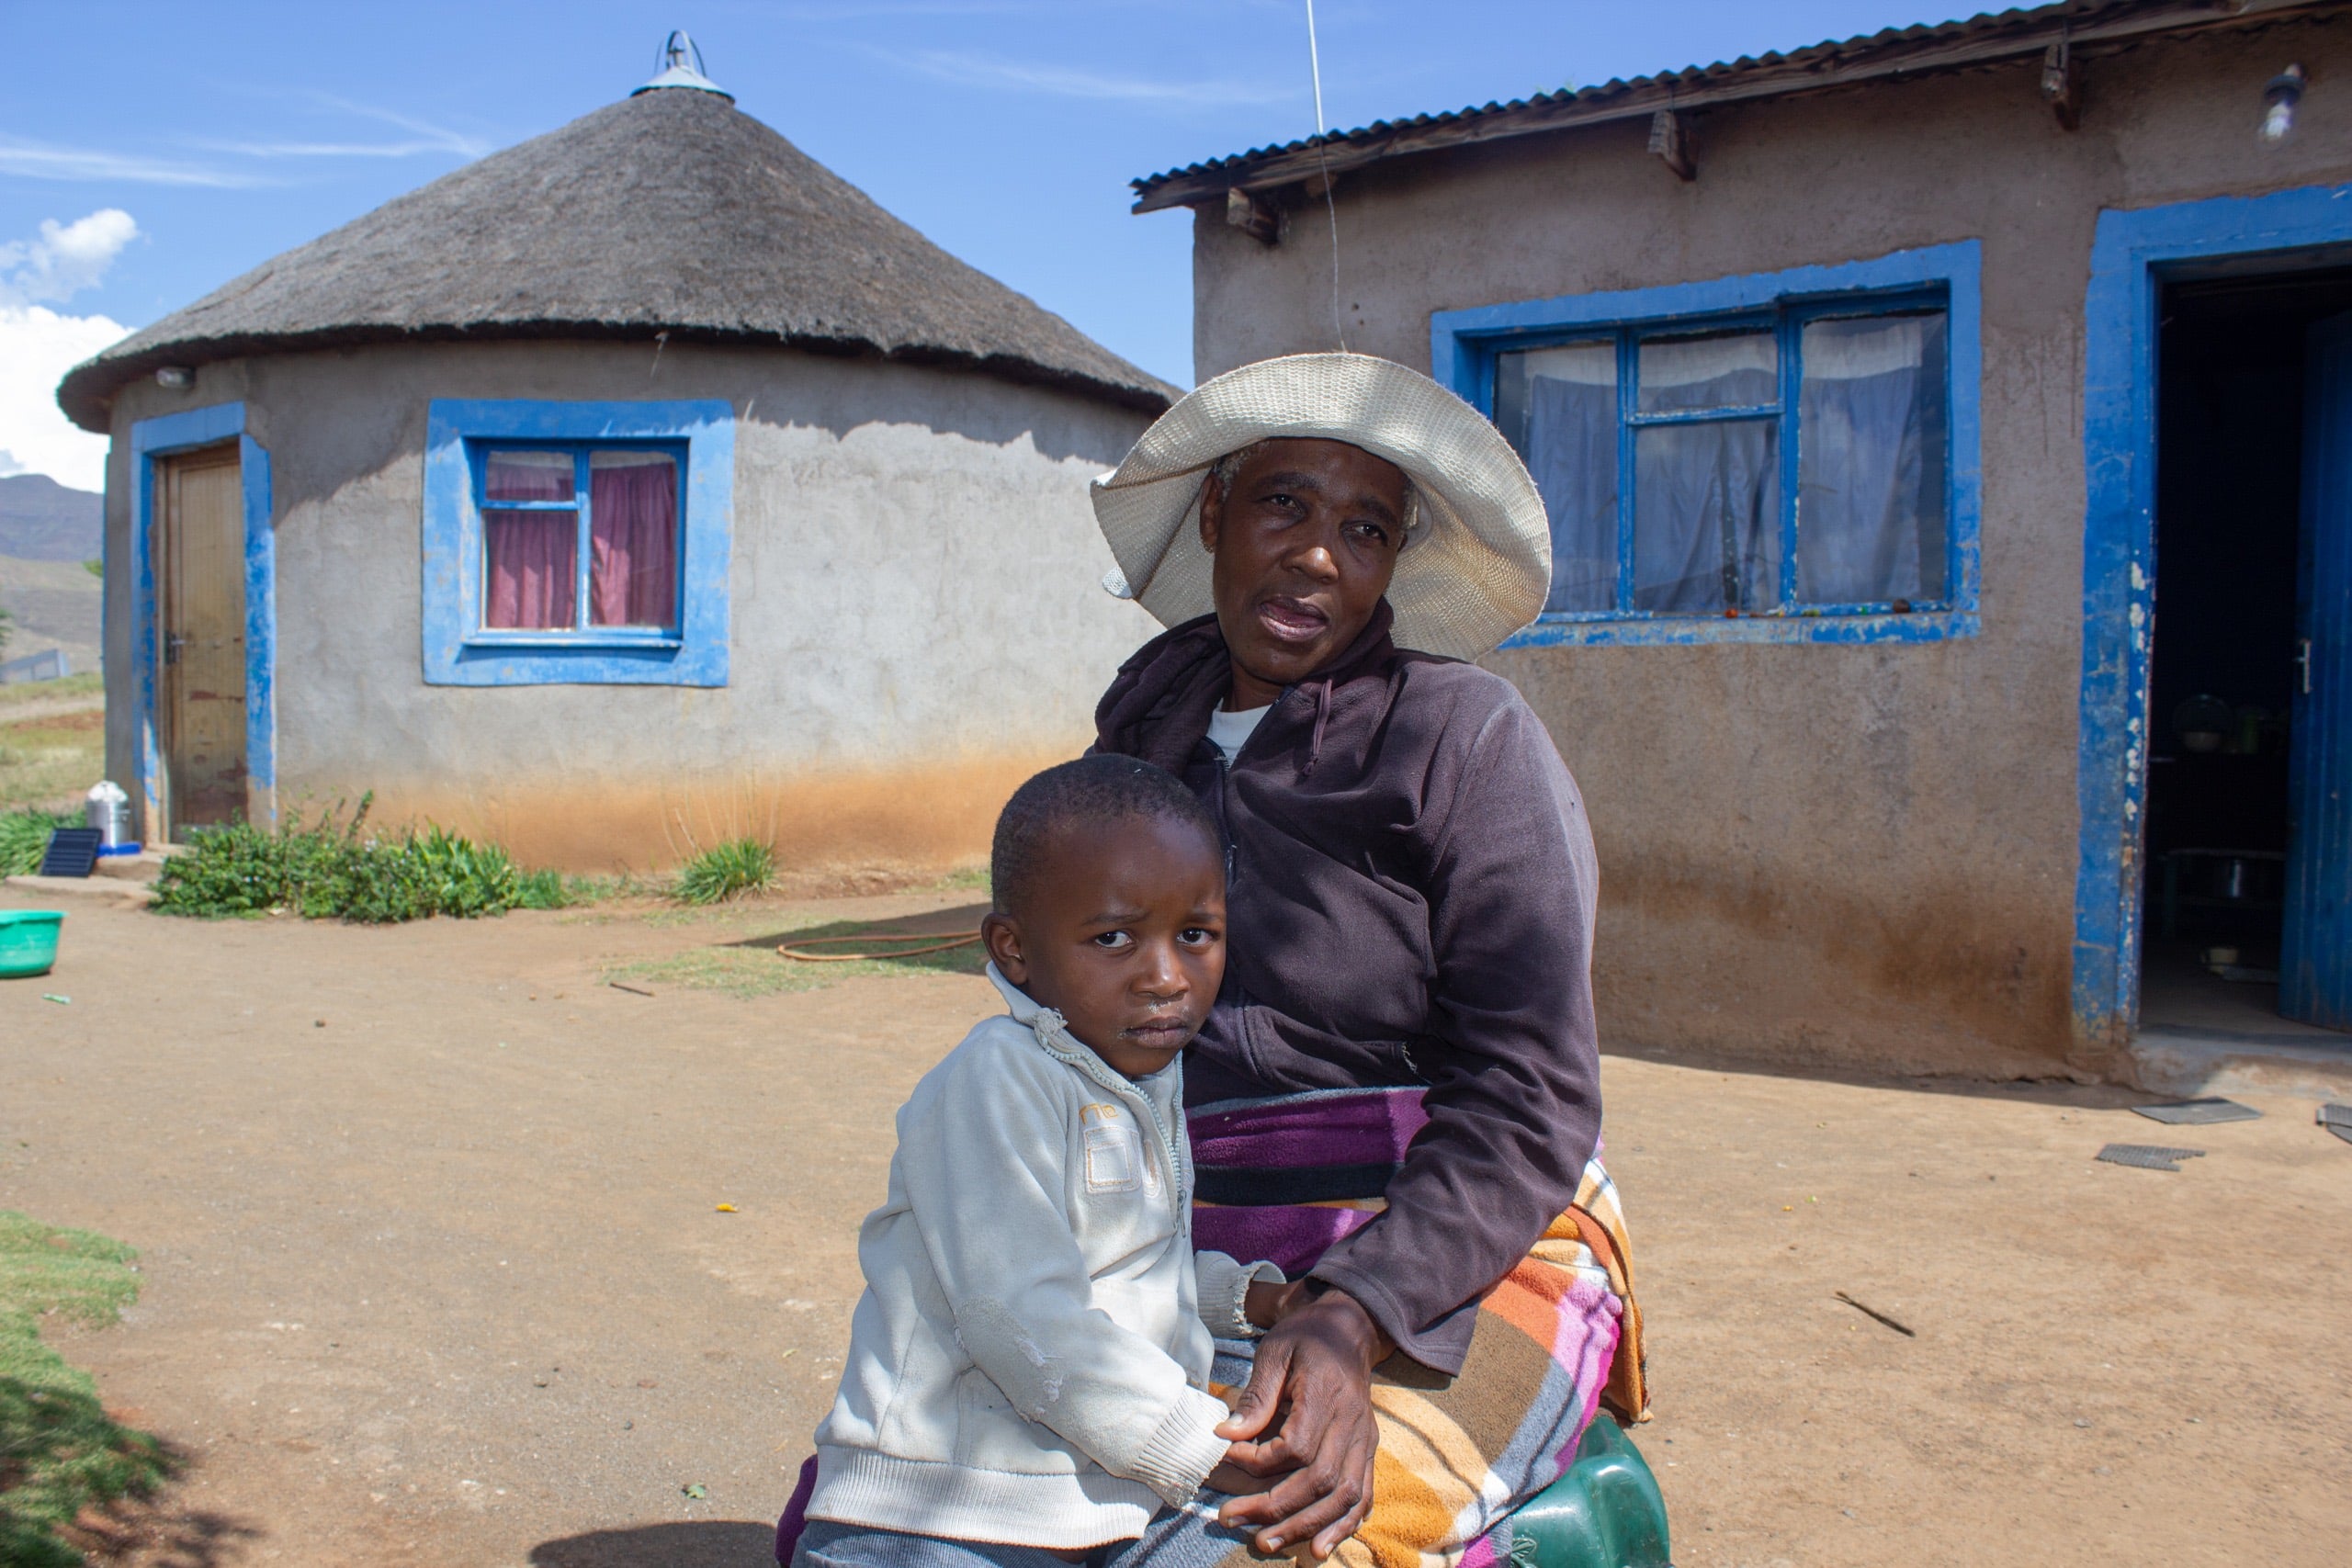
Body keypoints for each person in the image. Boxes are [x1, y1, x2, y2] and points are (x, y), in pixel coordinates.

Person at [1087, 352, 1647, 1568]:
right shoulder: (1139, 738)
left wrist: (1357, 1311)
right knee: (886, 1500)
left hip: (1465, 1233)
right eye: (1285, 503)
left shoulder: (1467, 739)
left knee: (1267, 1534)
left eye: (1366, 526)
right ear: (1217, 509)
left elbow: (1531, 1091)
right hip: (1188, 1235)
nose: (1320, 557)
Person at [786, 755, 1290, 1568]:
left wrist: (1251, 1297)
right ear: (1014, 949)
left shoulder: (1140, 1073)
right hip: (941, 1515)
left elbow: (1118, 1263)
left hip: (1084, 1503)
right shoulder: (996, 1078)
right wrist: (1202, 1441)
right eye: (1114, 938)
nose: (1165, 977)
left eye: (1194, 934)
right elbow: (1019, 1314)